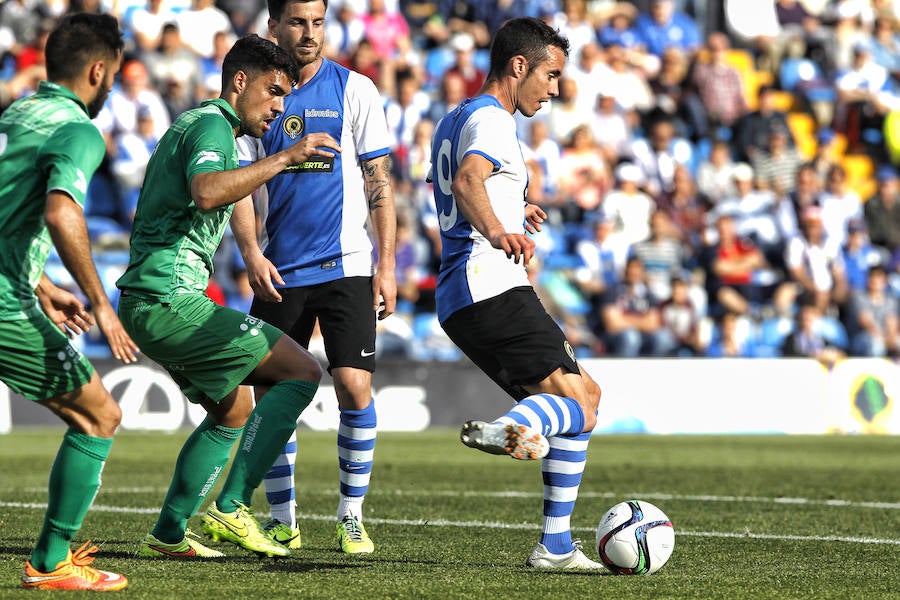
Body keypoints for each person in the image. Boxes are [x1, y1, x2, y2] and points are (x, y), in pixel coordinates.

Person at [117, 33, 341, 560]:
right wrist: (287, 157)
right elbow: (208, 190)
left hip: (152, 298)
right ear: (240, 82)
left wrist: (250, 248)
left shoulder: (203, 127)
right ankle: (233, 505)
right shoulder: (213, 126)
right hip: (169, 298)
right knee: (302, 371)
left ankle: (169, 533)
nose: (280, 106)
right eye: (273, 91)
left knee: (234, 408)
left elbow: (215, 189)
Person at [428, 16, 602, 570]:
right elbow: (467, 182)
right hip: (490, 282)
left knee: (582, 400)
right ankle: (519, 425)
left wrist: (513, 207)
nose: (555, 89)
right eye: (550, 76)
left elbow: (464, 184)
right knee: (582, 404)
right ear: (519, 66)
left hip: (463, 295)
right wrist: (498, 228)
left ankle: (555, 545)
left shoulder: (456, 118)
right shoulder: (493, 121)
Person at [233, 0, 398, 555]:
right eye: (297, 22)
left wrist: (388, 264)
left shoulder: (356, 89)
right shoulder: (259, 97)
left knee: (354, 386)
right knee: (275, 392)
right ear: (273, 26)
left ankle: (351, 516)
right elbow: (239, 185)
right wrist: (252, 252)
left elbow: (380, 183)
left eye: (318, 22)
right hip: (281, 267)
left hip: (348, 263)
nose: (309, 33)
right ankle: (283, 518)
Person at [0, 13, 138, 591]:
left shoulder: (16, 115)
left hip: (14, 285)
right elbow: (60, 211)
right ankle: (51, 561)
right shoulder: (78, 128)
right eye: (115, 78)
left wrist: (39, 281)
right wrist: (100, 304)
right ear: (99, 71)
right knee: (98, 414)